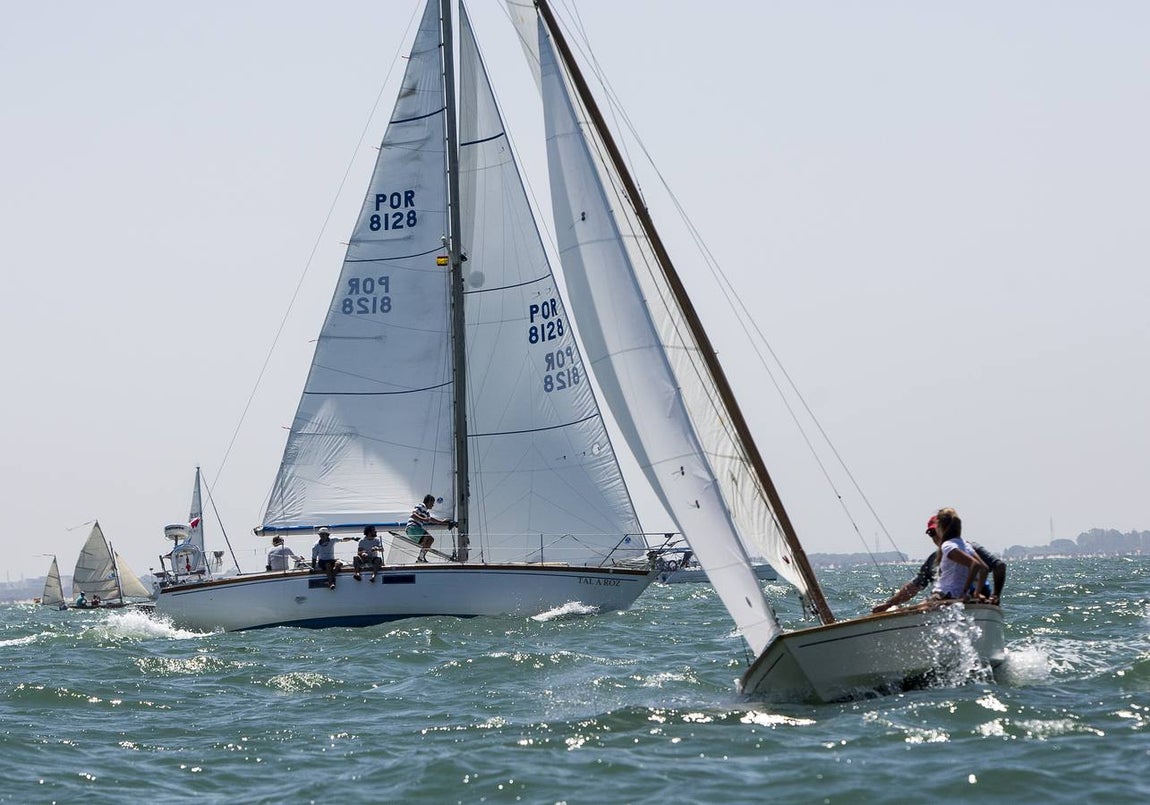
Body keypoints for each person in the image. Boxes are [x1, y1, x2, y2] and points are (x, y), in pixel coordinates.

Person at [872, 511, 1005, 613]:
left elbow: (999, 566)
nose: (934, 536)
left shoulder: (969, 547)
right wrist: (888, 604)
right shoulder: (933, 559)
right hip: (951, 607)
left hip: (966, 604)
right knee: (907, 609)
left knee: (918, 607)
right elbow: (915, 586)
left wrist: (995, 596)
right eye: (930, 533)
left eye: (935, 531)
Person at [406, 494, 456, 563]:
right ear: (429, 502)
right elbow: (413, 515)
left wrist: (443, 522)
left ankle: (421, 559)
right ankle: (420, 558)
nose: (433, 505)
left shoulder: (426, 512)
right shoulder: (421, 506)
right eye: (432, 503)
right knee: (430, 539)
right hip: (413, 527)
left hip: (411, 531)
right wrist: (424, 519)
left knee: (427, 542)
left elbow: (431, 519)